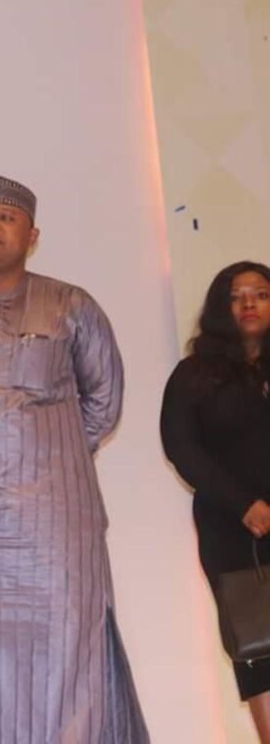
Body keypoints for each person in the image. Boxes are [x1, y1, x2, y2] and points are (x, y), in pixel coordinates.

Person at [0, 176, 149, 742]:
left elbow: (104, 400)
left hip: (52, 526)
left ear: (33, 235)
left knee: (67, 657)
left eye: (5, 218)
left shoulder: (70, 305)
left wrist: (50, 462)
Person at [161, 261, 270, 742]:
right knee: (259, 645)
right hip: (233, 531)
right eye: (237, 295)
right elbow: (181, 446)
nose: (249, 304)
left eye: (261, 294)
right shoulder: (194, 375)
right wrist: (244, 503)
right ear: (220, 307)